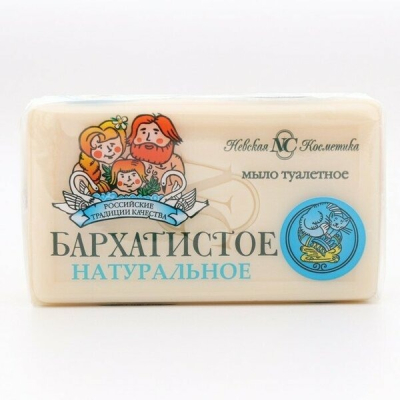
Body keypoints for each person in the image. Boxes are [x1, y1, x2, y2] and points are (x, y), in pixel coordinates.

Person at [128, 114, 184, 194]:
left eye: (155, 133)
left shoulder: (174, 161)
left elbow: (178, 186)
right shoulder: (130, 159)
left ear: (169, 137)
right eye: (143, 132)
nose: (148, 138)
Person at [74, 118, 129, 193]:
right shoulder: (82, 168)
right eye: (100, 147)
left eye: (112, 144)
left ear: (122, 143)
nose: (109, 150)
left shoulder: (122, 163)